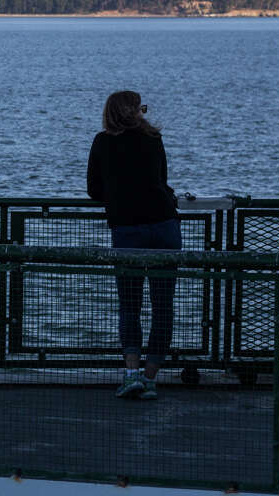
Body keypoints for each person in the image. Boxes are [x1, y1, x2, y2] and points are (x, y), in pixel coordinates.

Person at [86, 90, 181, 401]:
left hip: (127, 229)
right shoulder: (153, 138)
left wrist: (117, 196)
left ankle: (131, 374)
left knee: (130, 304)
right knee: (162, 304)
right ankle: (151, 377)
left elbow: (92, 188)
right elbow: (162, 179)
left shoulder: (103, 142)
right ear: (134, 111)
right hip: (164, 225)